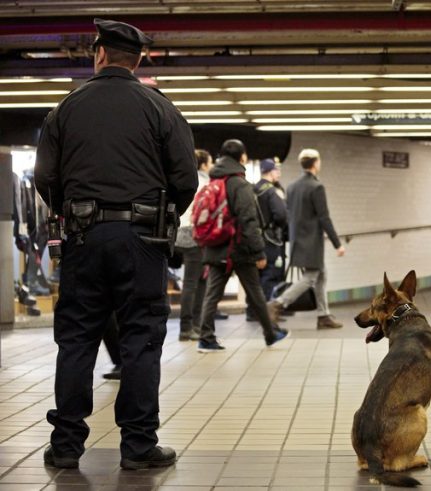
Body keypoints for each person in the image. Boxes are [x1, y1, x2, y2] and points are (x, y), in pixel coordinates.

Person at [34, 18, 198, 470]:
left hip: (82, 238)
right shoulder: (161, 108)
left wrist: (73, 209)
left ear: (99, 54)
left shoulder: (65, 108)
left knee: (77, 339)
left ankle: (66, 446)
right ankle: (139, 446)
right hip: (143, 239)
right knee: (141, 340)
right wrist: (160, 217)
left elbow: (44, 178)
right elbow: (186, 179)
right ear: (139, 60)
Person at [197, 140, 289, 352]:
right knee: (255, 292)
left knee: (212, 293)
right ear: (243, 157)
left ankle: (205, 338)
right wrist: (258, 251)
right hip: (238, 249)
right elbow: (249, 220)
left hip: (216, 246)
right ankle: (270, 333)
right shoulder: (239, 184)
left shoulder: (215, 180)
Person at [267, 149, 346, 330]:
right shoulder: (316, 187)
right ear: (315, 163)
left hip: (297, 241)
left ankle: (323, 315)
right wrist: (337, 244)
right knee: (310, 278)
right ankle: (277, 303)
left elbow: (288, 214)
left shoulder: (292, 186)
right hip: (311, 242)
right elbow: (324, 217)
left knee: (321, 275)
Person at [176, 149, 213, 341]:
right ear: (205, 164)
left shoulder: (185, 179)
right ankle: (188, 327)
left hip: (179, 232)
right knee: (196, 282)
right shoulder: (206, 183)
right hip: (196, 234)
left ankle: (193, 326)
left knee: (194, 282)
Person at [246, 158, 288, 319]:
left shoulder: (253, 188)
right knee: (270, 274)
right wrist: (280, 227)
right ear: (270, 171)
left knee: (255, 276)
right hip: (269, 239)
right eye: (277, 170)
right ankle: (262, 312)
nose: (279, 173)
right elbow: (281, 215)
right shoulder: (271, 190)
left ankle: (251, 311)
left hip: (253, 237)